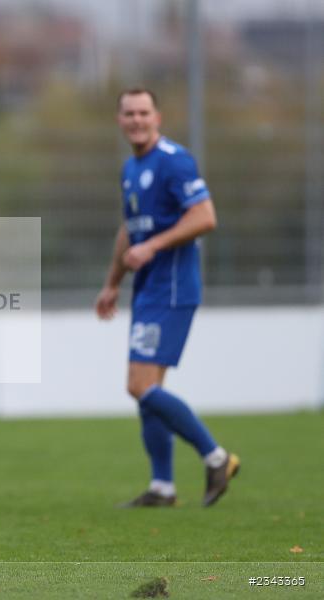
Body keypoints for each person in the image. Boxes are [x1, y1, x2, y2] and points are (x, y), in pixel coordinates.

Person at [96, 88, 240, 508]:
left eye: (143, 112)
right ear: (120, 120)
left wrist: (155, 246)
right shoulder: (131, 167)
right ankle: (163, 487)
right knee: (149, 389)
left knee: (138, 385)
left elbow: (204, 216)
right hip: (148, 290)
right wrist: (112, 283)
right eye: (129, 113)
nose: (136, 120)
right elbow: (130, 230)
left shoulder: (175, 161)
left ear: (157, 116)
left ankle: (216, 457)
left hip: (173, 287)